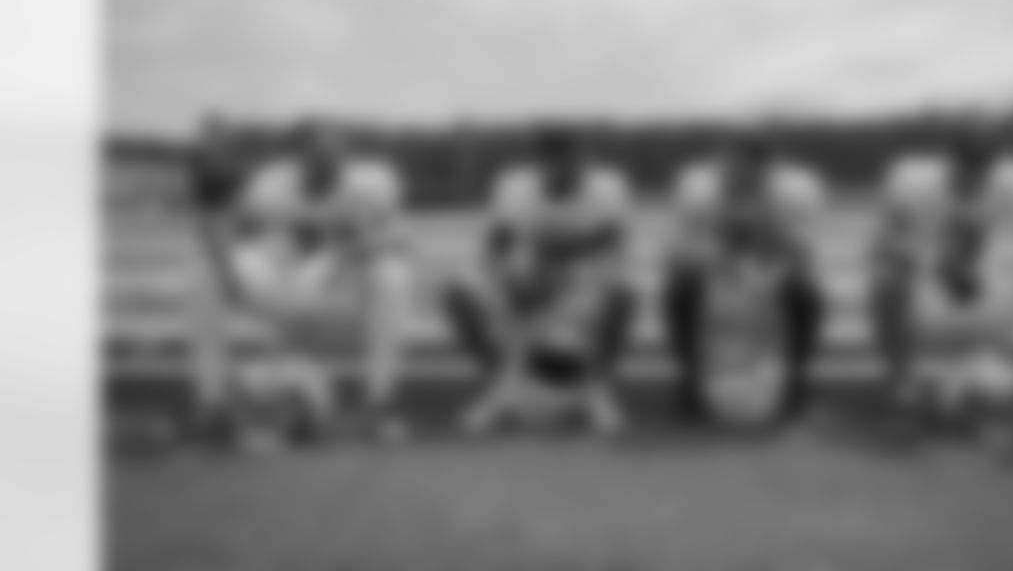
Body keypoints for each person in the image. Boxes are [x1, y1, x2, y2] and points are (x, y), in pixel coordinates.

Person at [868, 125, 1013, 455]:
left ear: (994, 165)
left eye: (981, 167)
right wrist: (927, 261)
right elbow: (882, 244)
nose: (972, 175)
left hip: (999, 293)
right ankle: (903, 398)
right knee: (886, 283)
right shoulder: (910, 183)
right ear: (949, 161)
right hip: (932, 295)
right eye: (965, 165)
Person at [187, 118, 416, 450]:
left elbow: (403, 241)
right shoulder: (269, 184)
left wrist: (358, 249)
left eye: (333, 158)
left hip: (335, 285)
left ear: (345, 158)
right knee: (202, 272)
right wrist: (227, 273)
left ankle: (379, 405)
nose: (325, 165)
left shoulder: (374, 184)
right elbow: (225, 230)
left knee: (393, 274)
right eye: (315, 158)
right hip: (277, 279)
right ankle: (212, 407)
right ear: (298, 159)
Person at [441, 127, 635, 435]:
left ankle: (597, 389)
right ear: (542, 164)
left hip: (586, 277)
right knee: (456, 293)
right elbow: (494, 248)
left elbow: (611, 242)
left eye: (576, 160)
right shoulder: (513, 189)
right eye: (559, 161)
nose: (570, 169)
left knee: (624, 296)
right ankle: (502, 385)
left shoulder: (609, 187)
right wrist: (513, 285)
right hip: (527, 276)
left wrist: (558, 268)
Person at [663, 133, 828, 428]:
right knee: (680, 290)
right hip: (714, 274)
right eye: (735, 169)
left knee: (805, 294)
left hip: (769, 276)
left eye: (753, 171)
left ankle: (795, 378)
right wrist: (715, 259)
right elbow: (675, 255)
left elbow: (804, 257)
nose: (743, 178)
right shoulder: (698, 195)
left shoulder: (792, 196)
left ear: (767, 172)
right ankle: (690, 376)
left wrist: (770, 235)